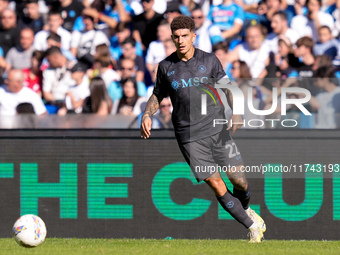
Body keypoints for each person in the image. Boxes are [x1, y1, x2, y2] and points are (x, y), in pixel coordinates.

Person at [140, 15, 266, 243]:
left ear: (193, 36)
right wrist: (147, 113)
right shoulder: (166, 67)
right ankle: (252, 226)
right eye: (176, 37)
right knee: (215, 182)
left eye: (185, 36)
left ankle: (246, 211)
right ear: (171, 38)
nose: (180, 41)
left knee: (239, 181)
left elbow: (228, 88)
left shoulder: (210, 61)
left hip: (217, 130)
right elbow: (158, 95)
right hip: (188, 136)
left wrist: (236, 112)